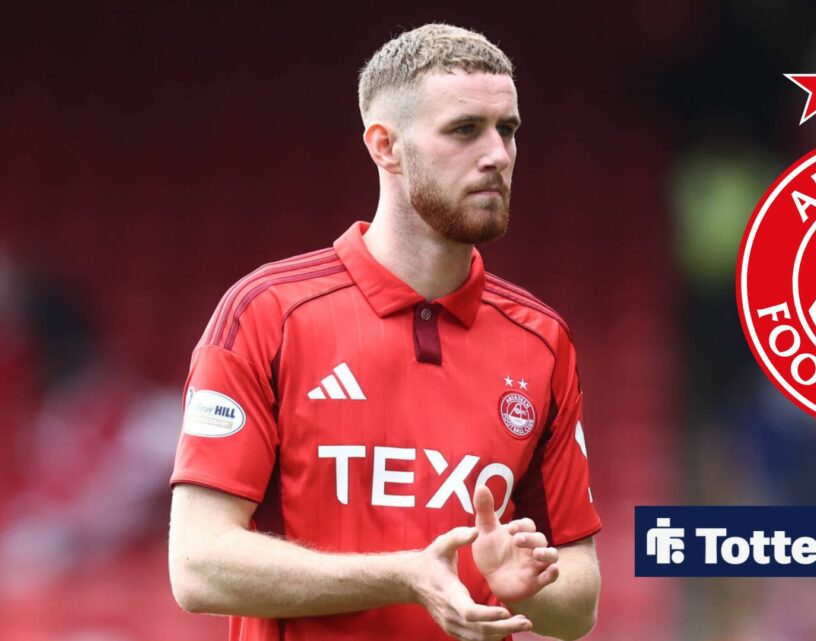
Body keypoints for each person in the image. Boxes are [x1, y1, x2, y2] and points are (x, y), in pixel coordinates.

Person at [168, 23, 601, 641]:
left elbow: (579, 605)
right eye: (464, 129)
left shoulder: (542, 339)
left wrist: (527, 584)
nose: (498, 155)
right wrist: (405, 575)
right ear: (385, 146)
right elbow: (198, 566)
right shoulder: (268, 312)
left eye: (508, 130)